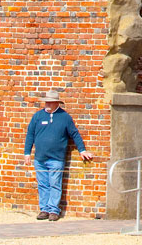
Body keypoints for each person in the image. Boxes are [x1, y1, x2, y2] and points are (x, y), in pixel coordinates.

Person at [23, 90, 93, 221]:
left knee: (55, 183)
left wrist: (82, 150)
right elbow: (30, 134)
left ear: (56, 103)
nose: (47, 104)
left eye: (50, 102)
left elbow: (74, 134)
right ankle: (44, 209)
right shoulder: (37, 116)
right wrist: (27, 153)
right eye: (46, 102)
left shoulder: (64, 117)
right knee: (43, 184)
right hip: (40, 158)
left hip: (56, 158)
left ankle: (54, 210)